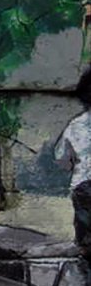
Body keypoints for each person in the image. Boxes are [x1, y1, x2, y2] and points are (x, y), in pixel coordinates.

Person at [54, 68, 91, 255]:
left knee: (85, 241)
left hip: (83, 186)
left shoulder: (76, 125)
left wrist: (72, 165)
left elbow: (62, 160)